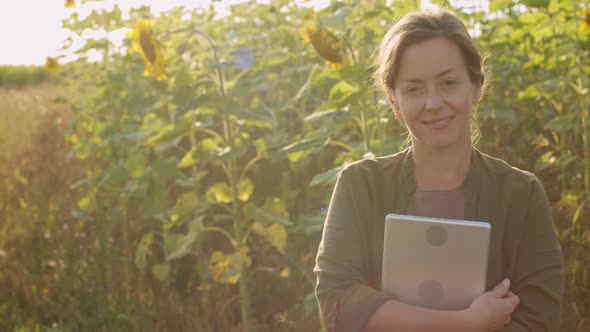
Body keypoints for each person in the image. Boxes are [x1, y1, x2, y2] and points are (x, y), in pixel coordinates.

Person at [313, 8, 564, 332]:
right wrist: (464, 323)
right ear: (394, 101)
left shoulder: (521, 194)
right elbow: (339, 303)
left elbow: (538, 318)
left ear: (476, 86)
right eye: (414, 89)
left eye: (448, 82)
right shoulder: (359, 185)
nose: (433, 103)